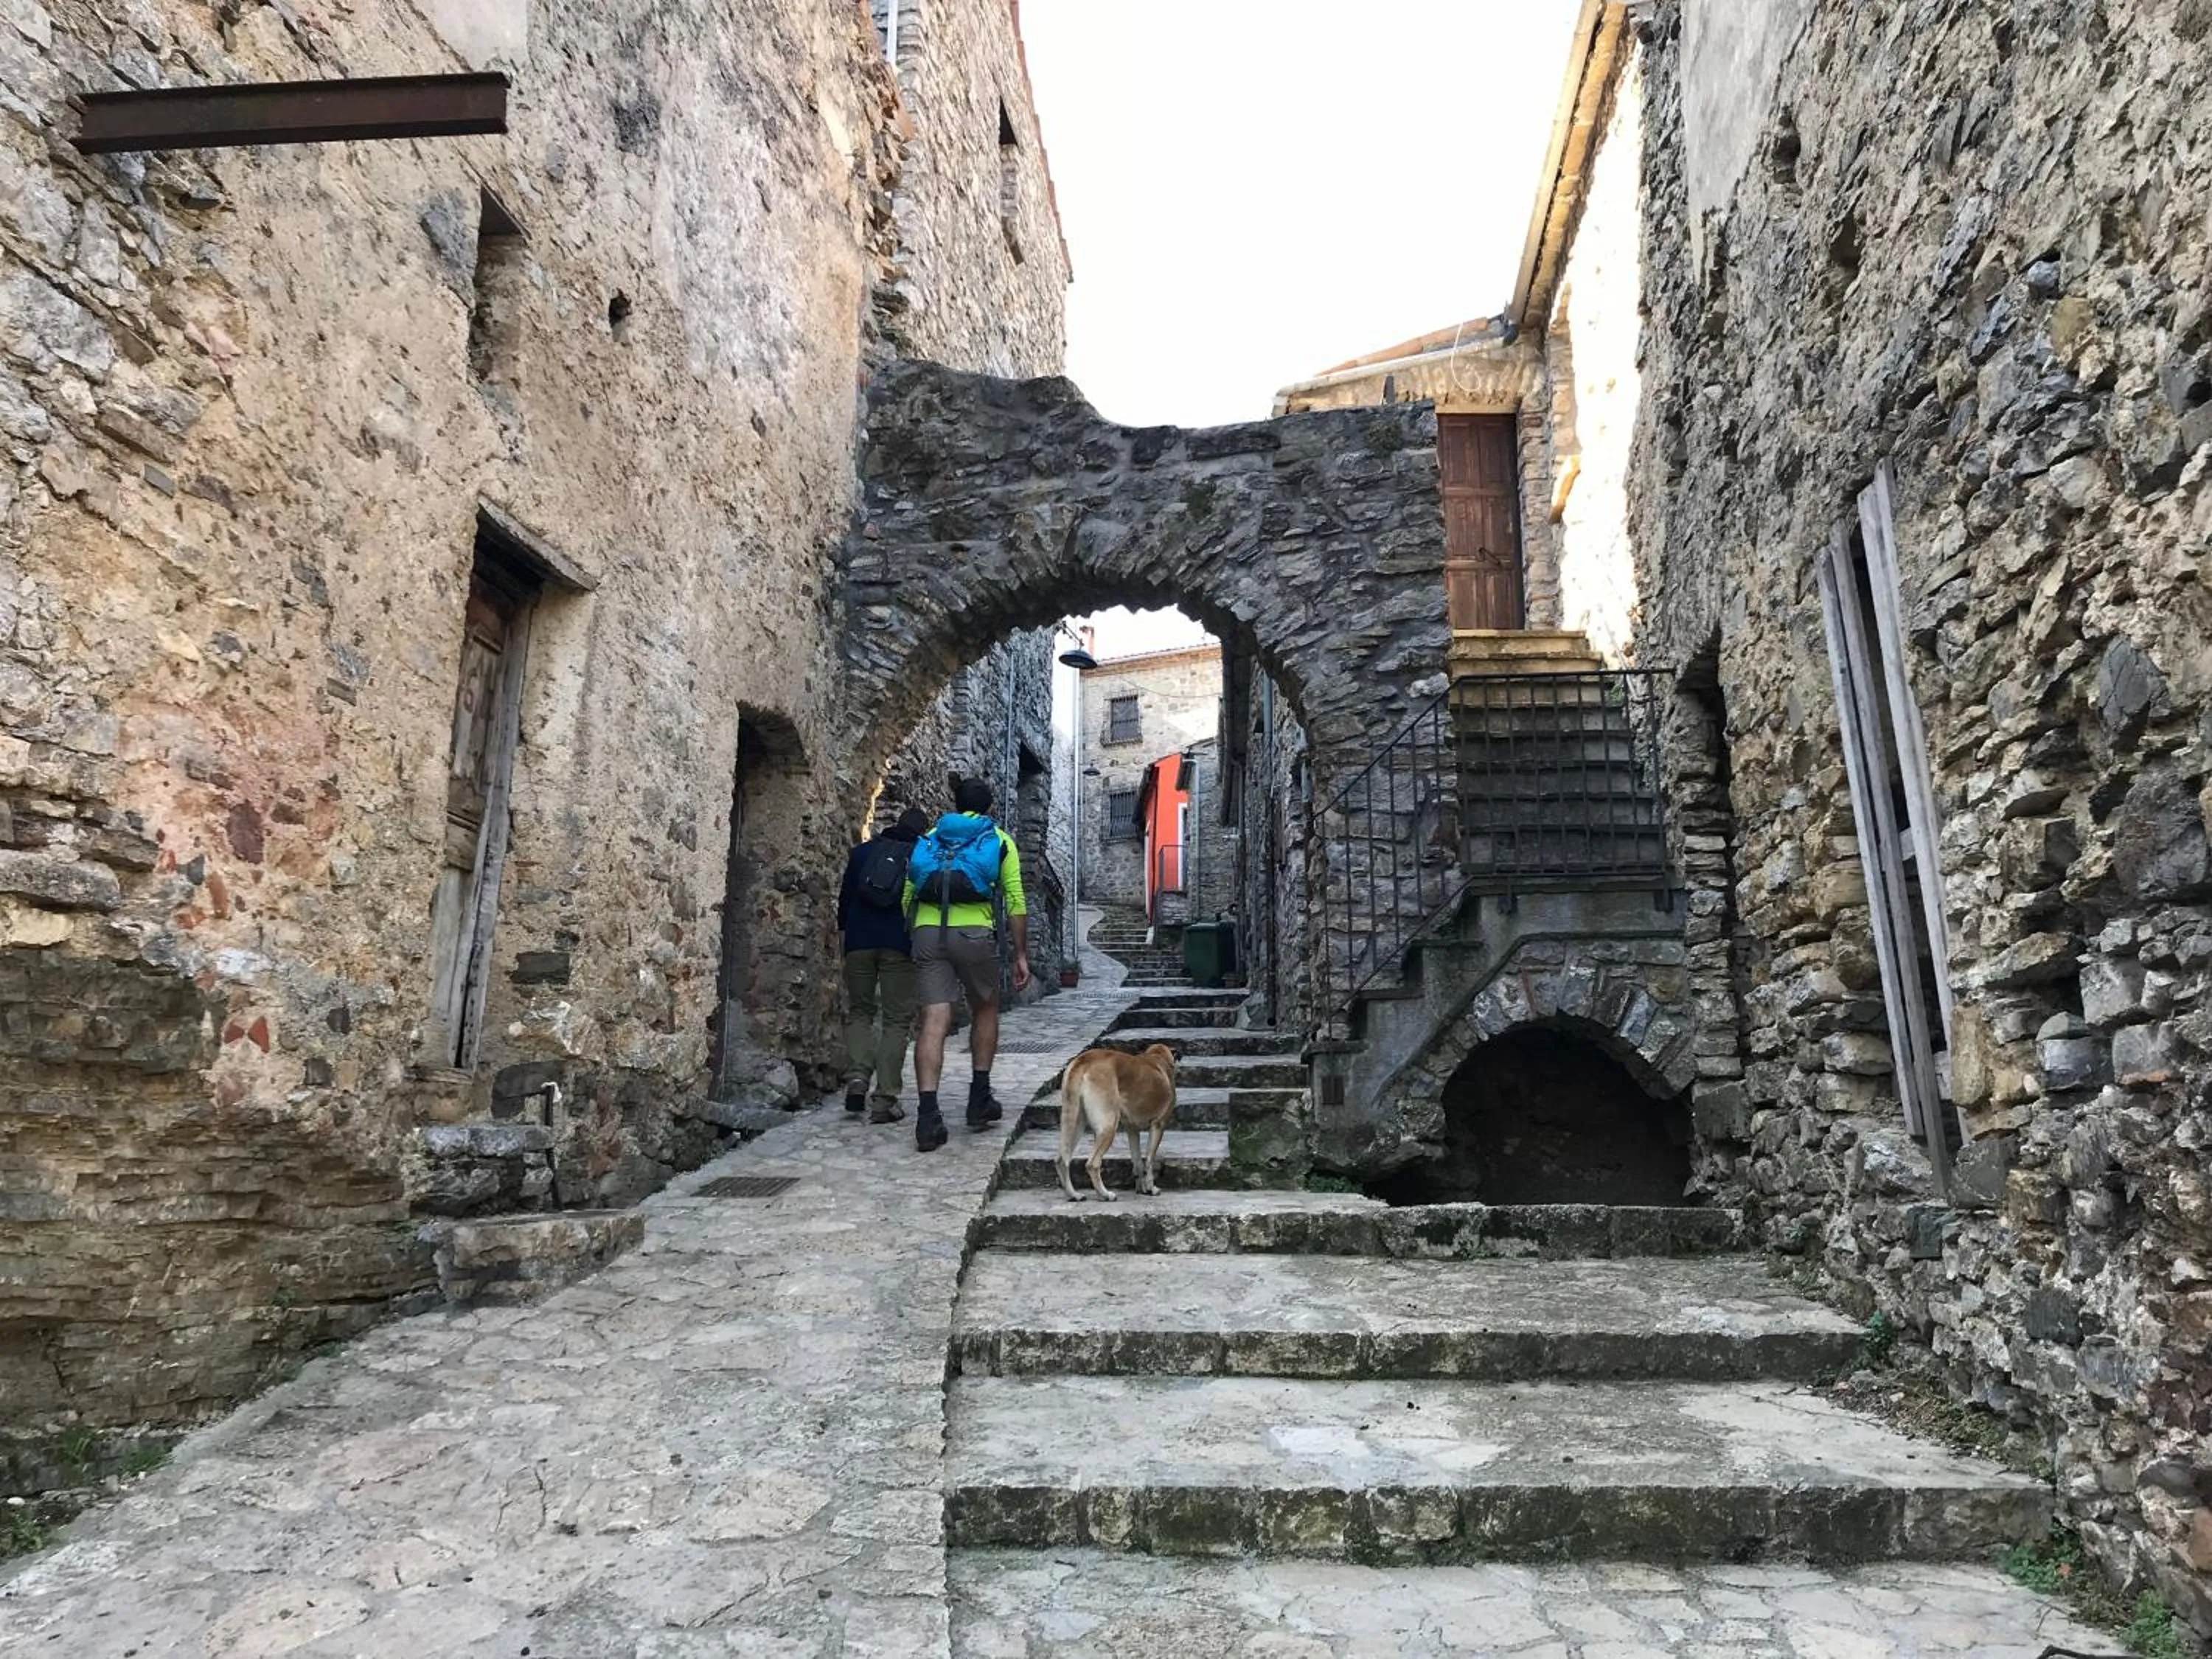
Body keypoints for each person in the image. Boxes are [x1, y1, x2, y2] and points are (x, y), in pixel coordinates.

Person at [905, 776, 1029, 1151]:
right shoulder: (999, 840)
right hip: (975, 933)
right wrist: (1020, 954)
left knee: (934, 1020)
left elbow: (909, 890)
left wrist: (913, 933)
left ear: (955, 804)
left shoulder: (931, 836)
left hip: (928, 931)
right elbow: (1016, 899)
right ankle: (979, 1100)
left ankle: (928, 1118)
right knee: (986, 1008)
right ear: (988, 807)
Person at [837, 806, 928, 1124]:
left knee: (860, 1011)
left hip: (858, 943)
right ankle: (885, 1099)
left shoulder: (862, 853)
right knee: (896, 1020)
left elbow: (845, 900)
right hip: (899, 945)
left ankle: (858, 1078)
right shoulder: (920, 857)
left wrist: (845, 940)